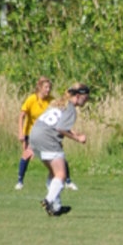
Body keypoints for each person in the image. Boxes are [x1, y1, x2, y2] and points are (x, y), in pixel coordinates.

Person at [29, 83, 90, 216]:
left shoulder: (58, 103)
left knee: (54, 173)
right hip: (47, 138)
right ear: (78, 96)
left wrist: (73, 133)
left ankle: (56, 208)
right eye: (85, 97)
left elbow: (55, 124)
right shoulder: (71, 109)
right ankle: (48, 200)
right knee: (61, 175)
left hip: (34, 136)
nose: (86, 100)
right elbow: (60, 128)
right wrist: (77, 138)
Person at [15, 77, 78, 191]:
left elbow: (59, 118)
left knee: (59, 155)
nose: (48, 90)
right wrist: (21, 132)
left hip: (48, 135)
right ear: (39, 88)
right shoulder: (31, 99)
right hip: (33, 133)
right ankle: (20, 182)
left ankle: (68, 181)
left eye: (50, 87)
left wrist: (72, 132)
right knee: (26, 154)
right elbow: (22, 115)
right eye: (46, 87)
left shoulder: (52, 101)